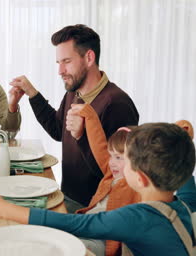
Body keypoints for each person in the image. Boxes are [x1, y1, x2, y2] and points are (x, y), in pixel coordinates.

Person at [0, 122, 196, 256]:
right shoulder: (184, 204)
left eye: (125, 159)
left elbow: (77, 224)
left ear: (140, 178)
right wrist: (181, 138)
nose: (117, 164)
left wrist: (5, 209)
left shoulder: (137, 218)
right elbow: (188, 185)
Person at [10, 24, 139, 212]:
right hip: (67, 196)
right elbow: (57, 129)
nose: (60, 71)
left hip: (93, 209)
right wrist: (32, 94)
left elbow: (117, 175)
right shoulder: (75, 93)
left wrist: (81, 136)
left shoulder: (117, 104)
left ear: (89, 58)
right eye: (58, 63)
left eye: (66, 61)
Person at [72, 103, 195, 255]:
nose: (111, 162)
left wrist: (181, 140)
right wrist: (90, 117)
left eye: (119, 157)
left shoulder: (137, 186)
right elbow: (99, 145)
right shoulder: (113, 171)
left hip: (101, 239)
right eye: (111, 155)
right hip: (86, 223)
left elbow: (168, 163)